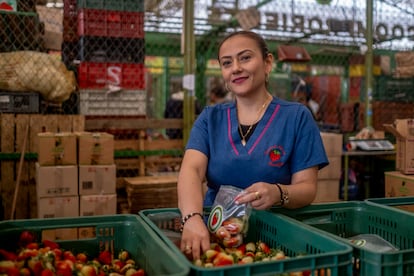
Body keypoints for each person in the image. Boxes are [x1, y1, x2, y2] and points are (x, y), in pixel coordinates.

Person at [177, 31, 329, 260]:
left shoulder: (297, 117)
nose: (236, 68)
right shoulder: (210, 118)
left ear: (268, 63)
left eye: (245, 58)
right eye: (227, 63)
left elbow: (307, 188)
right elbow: (191, 170)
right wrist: (192, 218)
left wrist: (278, 192)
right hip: (216, 233)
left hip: (276, 241)